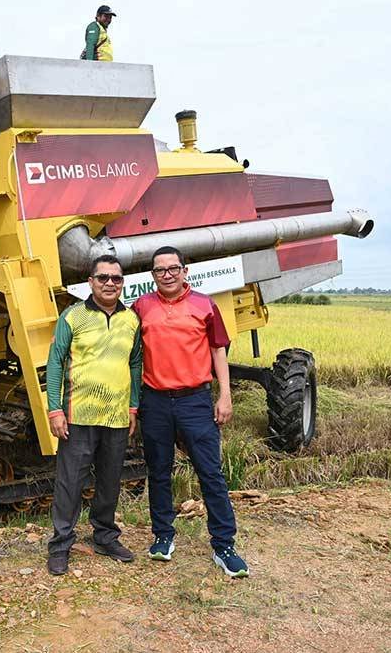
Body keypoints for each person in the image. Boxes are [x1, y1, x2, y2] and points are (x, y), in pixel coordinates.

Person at [132, 246, 249, 578]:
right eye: (159, 270)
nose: (166, 275)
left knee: (210, 473)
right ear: (152, 275)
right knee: (158, 471)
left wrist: (224, 395)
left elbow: (218, 351)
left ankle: (224, 546)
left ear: (185, 271)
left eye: (173, 268)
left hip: (195, 401)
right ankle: (163, 537)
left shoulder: (204, 305)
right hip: (154, 401)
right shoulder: (141, 307)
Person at [45, 254, 142, 576]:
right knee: (70, 483)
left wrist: (133, 406)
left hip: (115, 416)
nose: (110, 283)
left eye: (116, 278)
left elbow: (135, 363)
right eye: (103, 278)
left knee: (110, 482)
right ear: (90, 282)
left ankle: (104, 536)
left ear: (122, 282)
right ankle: (60, 545)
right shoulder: (72, 316)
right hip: (78, 416)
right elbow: (56, 361)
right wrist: (55, 410)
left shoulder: (132, 320)